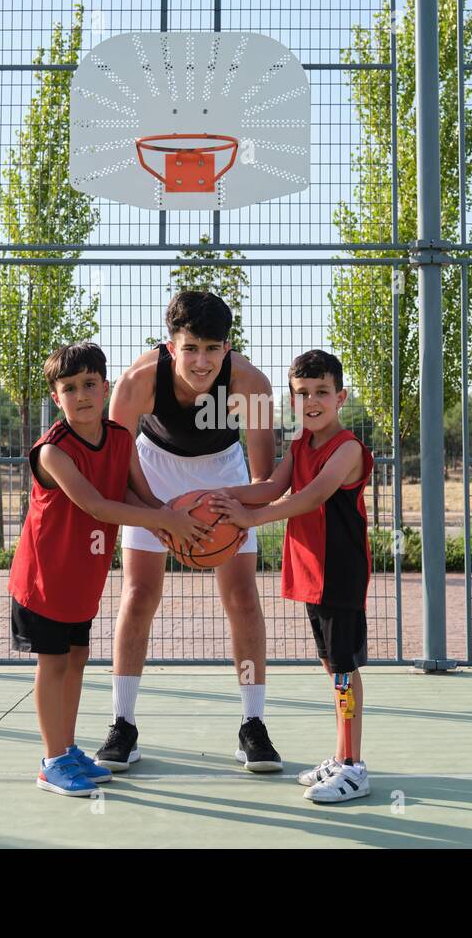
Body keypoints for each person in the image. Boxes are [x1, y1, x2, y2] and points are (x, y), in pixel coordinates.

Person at [9, 342, 214, 796]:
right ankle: (51, 761)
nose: (81, 395)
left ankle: (66, 747)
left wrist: (170, 523)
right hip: (44, 579)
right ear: (55, 396)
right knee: (54, 663)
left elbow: (138, 491)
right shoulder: (52, 452)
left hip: (82, 578)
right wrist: (164, 520)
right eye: (69, 388)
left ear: (105, 388)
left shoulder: (120, 438)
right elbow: (100, 506)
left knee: (78, 659)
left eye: (89, 384)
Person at [96, 290, 284, 772]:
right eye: (190, 348)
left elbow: (263, 481)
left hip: (224, 472)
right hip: (152, 469)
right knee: (139, 593)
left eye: (213, 348)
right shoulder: (136, 382)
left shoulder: (251, 383)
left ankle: (253, 725)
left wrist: (238, 510)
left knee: (242, 597)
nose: (202, 361)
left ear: (227, 347)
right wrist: (157, 513)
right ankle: (123, 724)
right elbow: (118, 470)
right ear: (170, 344)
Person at [208, 349, 375, 803]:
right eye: (302, 394)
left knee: (343, 670)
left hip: (339, 572)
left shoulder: (347, 449)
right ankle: (341, 756)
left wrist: (246, 519)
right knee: (331, 666)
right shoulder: (302, 444)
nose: (312, 401)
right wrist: (216, 495)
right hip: (312, 572)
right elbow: (271, 488)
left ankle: (355, 766)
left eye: (321, 392)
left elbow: (312, 496)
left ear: (340, 397)